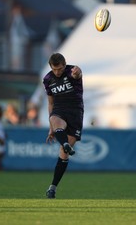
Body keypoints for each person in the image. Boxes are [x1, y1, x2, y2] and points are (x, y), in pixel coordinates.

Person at [43, 53, 84, 199]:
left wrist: (77, 73)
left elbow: (77, 74)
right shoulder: (48, 79)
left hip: (75, 111)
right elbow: (50, 103)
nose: (57, 72)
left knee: (63, 152)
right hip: (59, 108)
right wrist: (50, 126)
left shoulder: (72, 71)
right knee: (54, 119)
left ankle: (53, 186)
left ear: (65, 64)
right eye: (54, 69)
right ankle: (65, 143)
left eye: (60, 69)